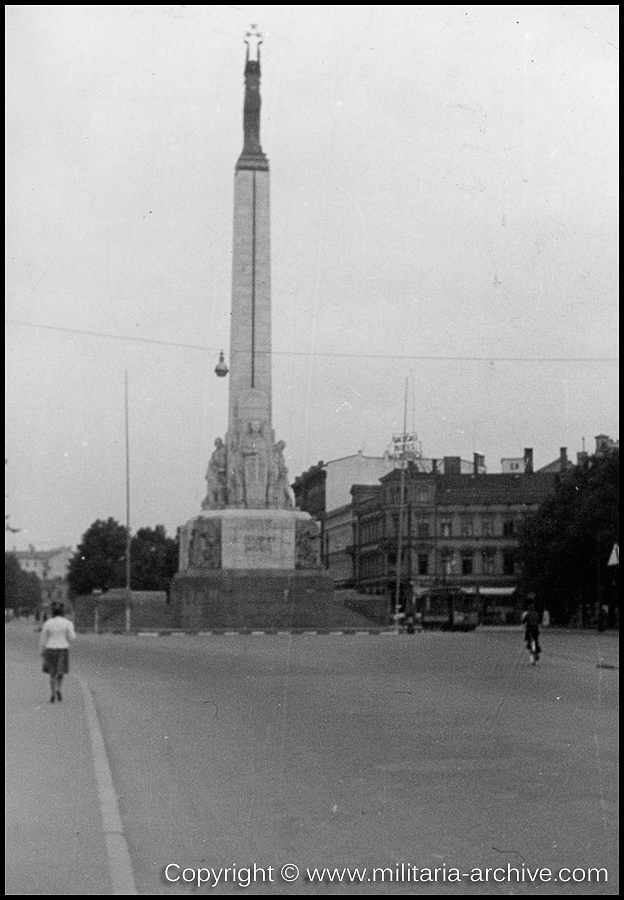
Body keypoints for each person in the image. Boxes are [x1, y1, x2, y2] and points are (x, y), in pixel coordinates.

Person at [39, 602, 76, 703]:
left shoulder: (48, 623)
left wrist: (42, 650)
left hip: (50, 648)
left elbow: (43, 638)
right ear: (63, 613)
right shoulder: (68, 623)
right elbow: (72, 637)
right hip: (63, 648)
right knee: (61, 672)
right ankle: (58, 689)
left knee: (52, 673)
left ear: (53, 613)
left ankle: (52, 694)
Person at [521, 600, 541, 664]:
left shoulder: (527, 614)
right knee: (536, 640)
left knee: (528, 640)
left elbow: (523, 621)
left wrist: (524, 623)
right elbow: (539, 621)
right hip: (536, 629)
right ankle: (537, 651)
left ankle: (531, 649)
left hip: (529, 629)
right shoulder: (536, 614)